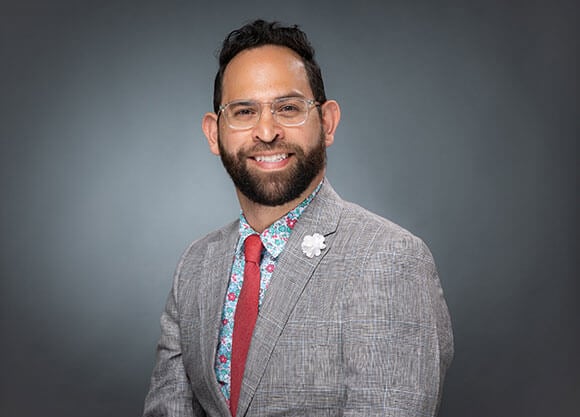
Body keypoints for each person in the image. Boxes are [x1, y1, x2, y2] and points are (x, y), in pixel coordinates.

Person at [143, 19, 453, 417]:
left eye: (288, 108)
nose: (267, 131)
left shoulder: (389, 259)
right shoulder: (196, 266)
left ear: (326, 123)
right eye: (244, 111)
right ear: (213, 133)